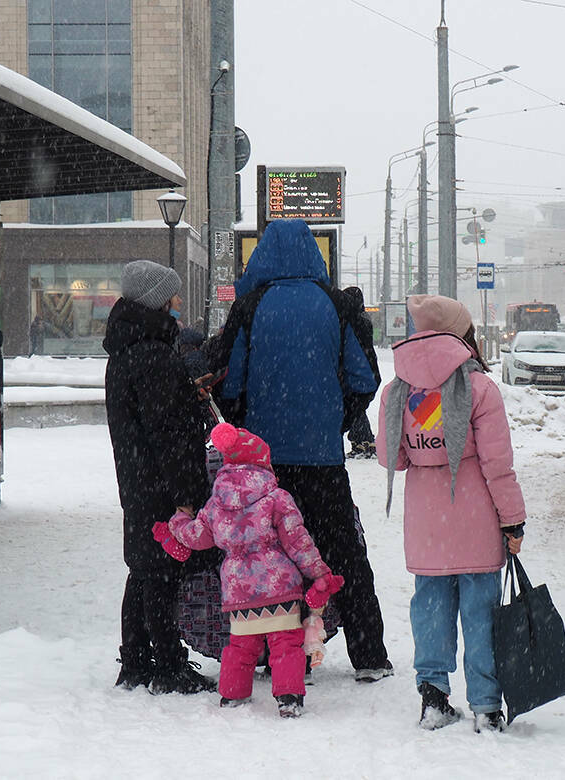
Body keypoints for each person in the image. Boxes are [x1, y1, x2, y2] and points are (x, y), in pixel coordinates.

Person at [208, 218, 393, 682]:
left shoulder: (250, 306)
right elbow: (364, 380)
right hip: (323, 459)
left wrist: (250, 425)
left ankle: (277, 653)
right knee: (343, 553)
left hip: (265, 467)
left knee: (271, 554)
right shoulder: (333, 304)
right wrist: (337, 419)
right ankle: (369, 654)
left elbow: (228, 382)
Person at [376, 294, 527, 733]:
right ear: (462, 334)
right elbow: (498, 466)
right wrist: (512, 519)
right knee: (481, 614)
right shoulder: (479, 387)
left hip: (427, 523)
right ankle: (485, 706)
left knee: (431, 609)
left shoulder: (397, 390)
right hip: (476, 518)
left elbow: (392, 459)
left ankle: (434, 698)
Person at [154, 422, 344, 718]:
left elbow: (197, 538)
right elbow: (298, 541)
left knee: (241, 647)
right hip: (279, 587)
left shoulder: (216, 503)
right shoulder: (277, 497)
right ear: (263, 463)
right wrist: (319, 572)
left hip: (239, 590)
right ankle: (289, 697)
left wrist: (177, 522)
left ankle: (232, 695)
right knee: (286, 646)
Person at [103, 259, 216, 695]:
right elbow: (170, 433)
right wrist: (187, 495)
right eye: (172, 295)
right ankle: (168, 667)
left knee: (143, 570)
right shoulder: (153, 354)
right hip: (159, 484)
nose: (179, 302)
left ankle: (135, 661)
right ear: (155, 300)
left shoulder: (131, 347)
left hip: (137, 479)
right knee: (162, 573)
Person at [342, 286, 377, 459]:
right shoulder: (364, 318)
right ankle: (363, 440)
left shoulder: (355, 320)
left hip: (359, 367)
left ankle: (364, 441)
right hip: (368, 366)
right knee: (357, 405)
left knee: (355, 406)